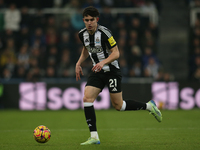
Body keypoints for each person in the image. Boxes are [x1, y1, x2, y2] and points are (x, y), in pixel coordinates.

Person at [75, 6, 162, 146]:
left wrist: (103, 62)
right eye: (86, 20)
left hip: (111, 71)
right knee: (87, 98)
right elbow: (86, 49)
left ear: (97, 20)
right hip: (97, 71)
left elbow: (116, 53)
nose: (89, 23)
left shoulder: (105, 33)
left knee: (119, 106)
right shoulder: (82, 34)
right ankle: (94, 136)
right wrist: (78, 63)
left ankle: (149, 107)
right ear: (83, 21)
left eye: (92, 20)